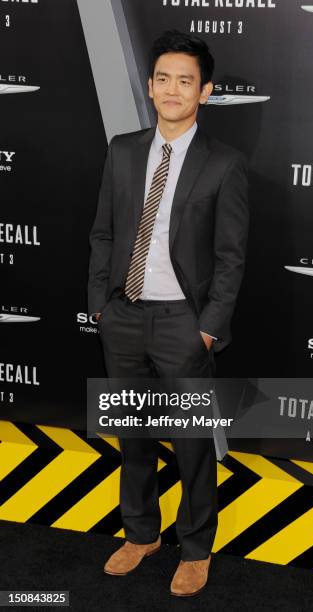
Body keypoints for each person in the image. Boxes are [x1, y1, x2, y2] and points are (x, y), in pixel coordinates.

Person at [87, 29, 249, 597]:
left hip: (185, 322)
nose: (172, 89)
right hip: (123, 318)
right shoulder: (123, 149)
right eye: (163, 79)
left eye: (185, 80)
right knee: (132, 436)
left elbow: (231, 259)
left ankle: (197, 546)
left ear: (204, 92)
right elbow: (103, 234)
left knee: (191, 442)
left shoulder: (224, 165)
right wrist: (101, 309)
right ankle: (141, 535)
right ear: (150, 87)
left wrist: (207, 329)